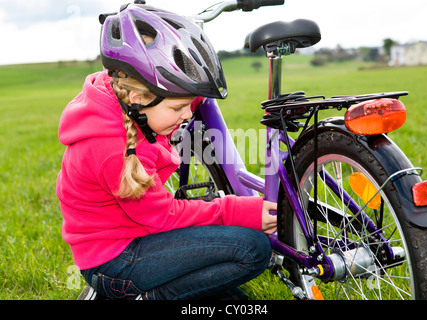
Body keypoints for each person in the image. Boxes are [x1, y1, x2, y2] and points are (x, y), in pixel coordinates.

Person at [56, 3, 277, 300]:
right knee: (251, 249)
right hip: (114, 263)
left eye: (191, 104)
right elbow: (165, 216)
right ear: (138, 98)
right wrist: (239, 211)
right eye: (178, 107)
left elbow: (177, 105)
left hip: (138, 238)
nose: (187, 114)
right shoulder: (112, 150)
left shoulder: (132, 108)